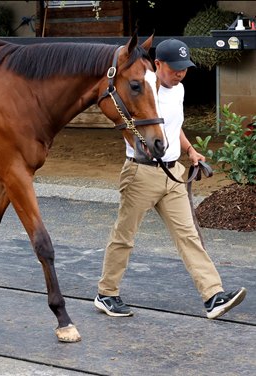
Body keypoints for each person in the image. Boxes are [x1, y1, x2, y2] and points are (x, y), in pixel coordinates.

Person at [94, 39, 246, 319]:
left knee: (188, 235)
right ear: (158, 65)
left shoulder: (179, 90)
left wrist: (190, 150)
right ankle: (107, 293)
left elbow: (173, 127)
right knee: (125, 235)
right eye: (174, 69)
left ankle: (213, 295)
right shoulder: (142, 85)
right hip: (141, 173)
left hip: (173, 172)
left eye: (184, 69)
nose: (180, 74)